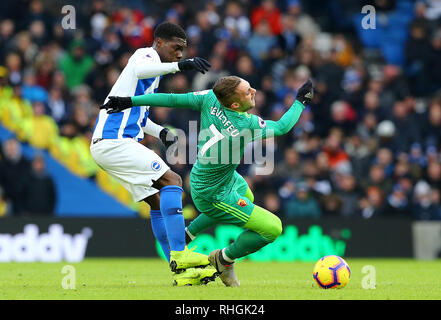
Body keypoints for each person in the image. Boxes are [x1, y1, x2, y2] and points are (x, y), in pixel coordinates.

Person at [100, 76, 314, 287]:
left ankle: (189, 233)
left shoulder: (210, 97)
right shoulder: (246, 124)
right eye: (248, 91)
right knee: (273, 228)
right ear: (235, 104)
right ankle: (224, 259)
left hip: (212, 177)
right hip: (215, 194)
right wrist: (300, 101)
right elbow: (283, 127)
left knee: (247, 195)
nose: (254, 92)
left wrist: (130, 101)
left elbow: (172, 99)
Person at [90, 22, 215, 287]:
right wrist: (181, 66)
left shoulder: (149, 79)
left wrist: (161, 133)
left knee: (158, 202)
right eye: (176, 48)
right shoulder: (144, 56)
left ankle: (181, 272)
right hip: (115, 142)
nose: (180, 54)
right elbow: (141, 68)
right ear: (159, 42)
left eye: (183, 51)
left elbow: (138, 115)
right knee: (173, 181)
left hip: (109, 145)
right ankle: (180, 255)